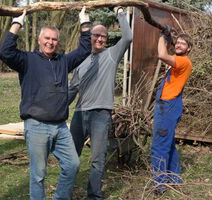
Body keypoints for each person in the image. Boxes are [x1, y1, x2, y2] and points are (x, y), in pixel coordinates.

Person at [0, 7, 91, 200]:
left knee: (72, 165)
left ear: (58, 42)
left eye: (54, 39)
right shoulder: (26, 60)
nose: (50, 42)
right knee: (39, 174)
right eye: (47, 38)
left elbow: (85, 49)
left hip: (60, 127)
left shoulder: (63, 61)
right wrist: (17, 23)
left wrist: (84, 22)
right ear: (40, 40)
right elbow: (5, 52)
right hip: (37, 126)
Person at [68, 7, 132, 199]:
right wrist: (59, 108)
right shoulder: (81, 59)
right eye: (96, 35)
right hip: (80, 113)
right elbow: (72, 89)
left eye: (103, 36)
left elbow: (128, 37)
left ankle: (93, 195)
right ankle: (66, 192)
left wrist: (120, 11)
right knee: (71, 157)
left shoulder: (112, 55)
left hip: (101, 115)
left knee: (97, 159)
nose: (100, 39)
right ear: (90, 36)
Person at [151, 28, 193, 192]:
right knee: (168, 144)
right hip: (171, 106)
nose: (180, 44)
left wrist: (161, 36)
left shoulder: (183, 61)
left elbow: (161, 55)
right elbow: (167, 53)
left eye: (184, 43)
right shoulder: (178, 59)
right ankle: (175, 178)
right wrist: (168, 39)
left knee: (159, 145)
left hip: (167, 107)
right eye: (179, 42)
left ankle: (159, 184)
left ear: (189, 49)